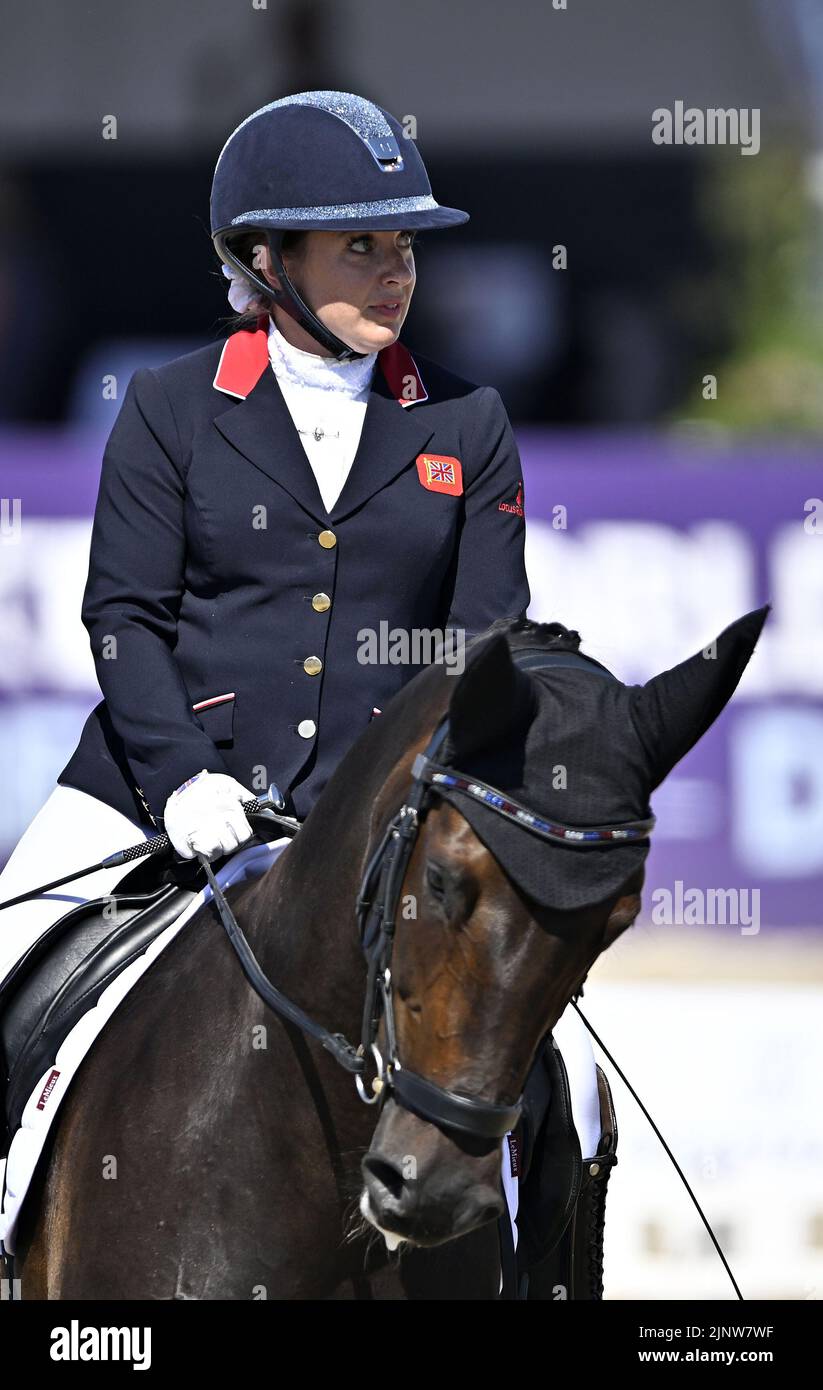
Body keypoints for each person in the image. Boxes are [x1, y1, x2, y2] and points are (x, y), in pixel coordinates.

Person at [0, 90, 604, 1273]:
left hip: (368, 828)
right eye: (360, 246)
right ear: (266, 260)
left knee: (562, 1072)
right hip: (148, 797)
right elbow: (123, 616)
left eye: (404, 247)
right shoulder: (172, 411)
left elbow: (482, 649)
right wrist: (178, 780)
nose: (395, 274)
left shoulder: (468, 426)